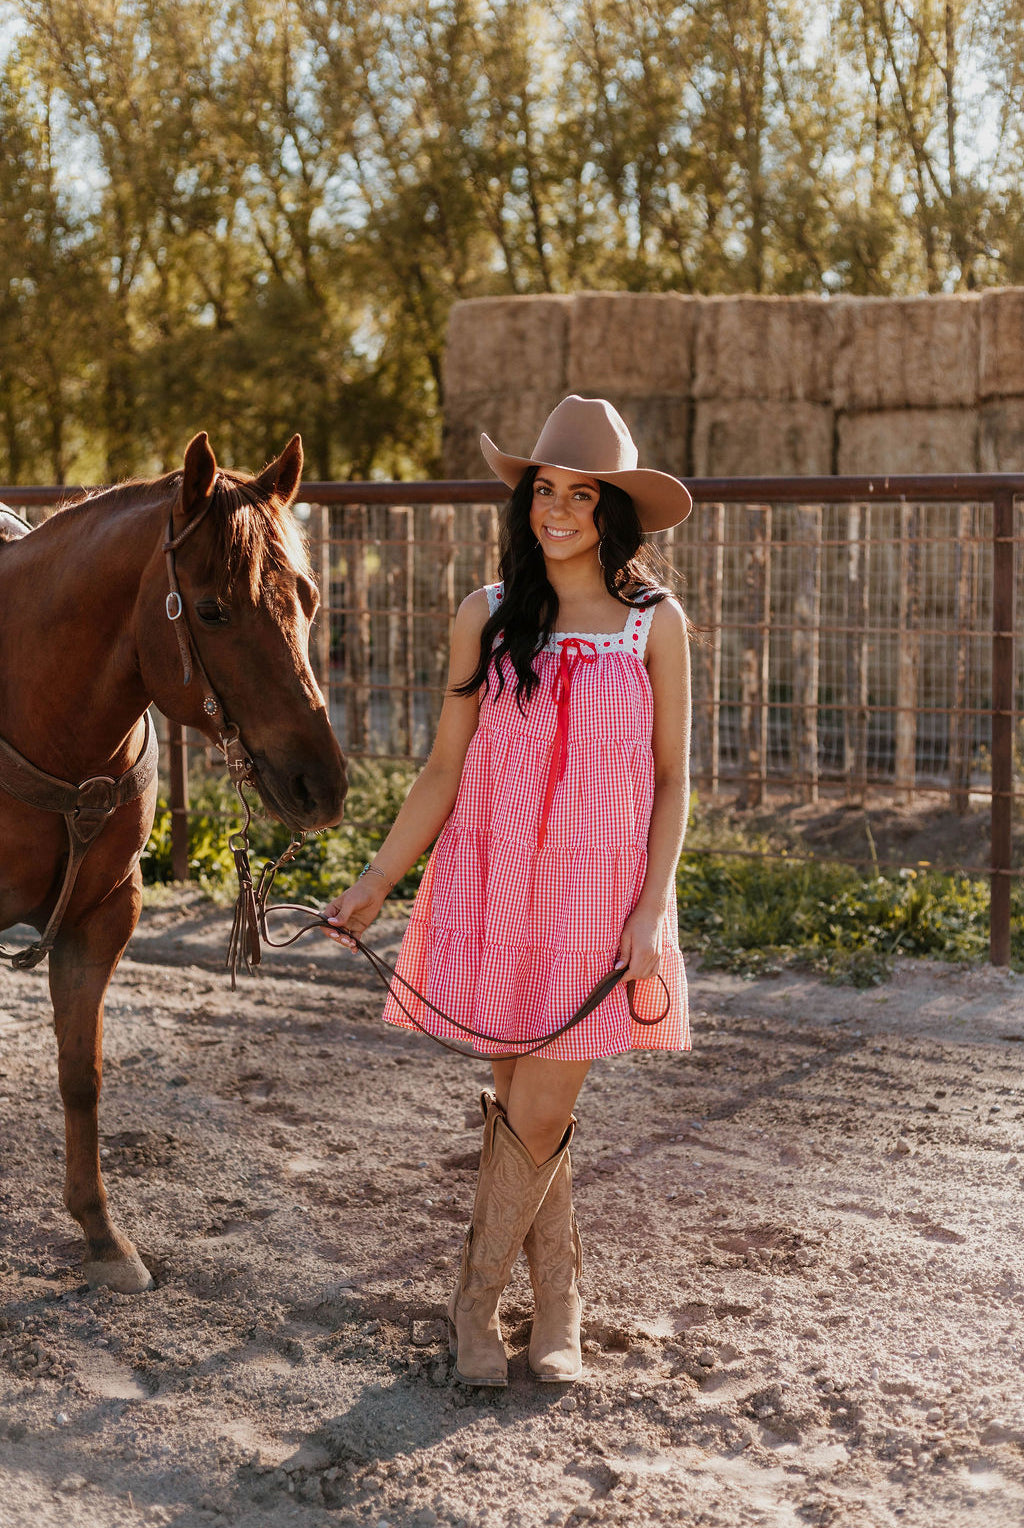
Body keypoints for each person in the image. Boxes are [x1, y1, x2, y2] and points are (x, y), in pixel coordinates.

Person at [323, 395, 693, 1387]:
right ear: (525, 499)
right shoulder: (483, 615)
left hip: (595, 901)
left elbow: (671, 779)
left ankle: (478, 1305)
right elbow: (443, 770)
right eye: (544, 489)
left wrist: (650, 910)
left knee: (536, 1112)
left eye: (581, 493)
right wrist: (372, 883)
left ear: (611, 510)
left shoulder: (655, 625)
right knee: (521, 1109)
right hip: (492, 890)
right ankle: (558, 1298)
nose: (558, 509)